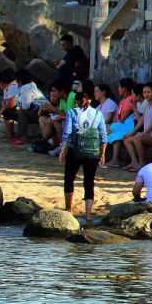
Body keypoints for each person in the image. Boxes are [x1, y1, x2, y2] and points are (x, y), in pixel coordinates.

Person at [58, 90, 108, 221]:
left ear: (76, 101)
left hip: (75, 151)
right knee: (89, 181)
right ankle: (87, 214)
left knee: (69, 178)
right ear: (89, 101)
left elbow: (67, 132)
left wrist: (63, 149)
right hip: (93, 152)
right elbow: (103, 135)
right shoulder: (98, 114)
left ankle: (68, 209)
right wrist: (102, 153)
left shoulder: (72, 113)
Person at [122, 82, 152, 172]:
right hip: (147, 134)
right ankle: (134, 162)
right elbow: (141, 121)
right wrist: (131, 133)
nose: (146, 94)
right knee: (127, 139)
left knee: (137, 139)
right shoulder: (147, 105)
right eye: (144, 92)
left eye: (148, 92)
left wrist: (142, 134)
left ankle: (141, 164)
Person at [102, 78, 137, 167]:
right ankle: (103, 156)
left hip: (127, 125)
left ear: (124, 89)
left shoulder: (130, 99)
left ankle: (113, 159)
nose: (118, 90)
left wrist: (118, 122)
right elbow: (117, 117)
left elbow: (126, 114)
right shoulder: (122, 101)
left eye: (119, 87)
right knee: (110, 130)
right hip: (121, 124)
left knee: (114, 133)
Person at [37, 78, 75, 155]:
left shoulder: (72, 97)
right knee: (43, 118)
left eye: (54, 91)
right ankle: (46, 142)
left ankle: (55, 145)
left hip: (74, 122)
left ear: (62, 91)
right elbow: (57, 112)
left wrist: (53, 109)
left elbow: (70, 115)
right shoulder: (62, 99)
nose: (52, 93)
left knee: (56, 120)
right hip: (64, 120)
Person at [14, 68, 47, 145]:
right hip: (41, 112)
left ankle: (22, 137)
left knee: (22, 112)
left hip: (42, 113)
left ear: (20, 81)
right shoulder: (32, 85)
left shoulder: (25, 88)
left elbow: (25, 106)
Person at [0, 68, 19, 141]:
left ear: (1, 82)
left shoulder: (13, 86)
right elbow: (4, 100)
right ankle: (8, 133)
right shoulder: (7, 87)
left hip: (22, 109)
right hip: (19, 108)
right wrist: (3, 106)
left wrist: (1, 111)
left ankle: (10, 135)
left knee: (7, 111)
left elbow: (10, 104)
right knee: (6, 110)